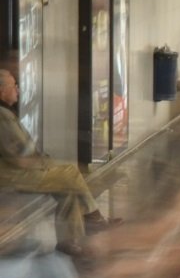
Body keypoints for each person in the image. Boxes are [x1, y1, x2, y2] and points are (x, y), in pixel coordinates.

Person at [0, 68, 107, 251]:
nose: (18, 90)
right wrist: (45, 163)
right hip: (12, 174)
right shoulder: (2, 115)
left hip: (16, 169)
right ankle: (92, 217)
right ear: (1, 91)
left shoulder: (6, 112)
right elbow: (19, 155)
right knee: (71, 175)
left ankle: (70, 241)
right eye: (14, 86)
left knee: (68, 186)